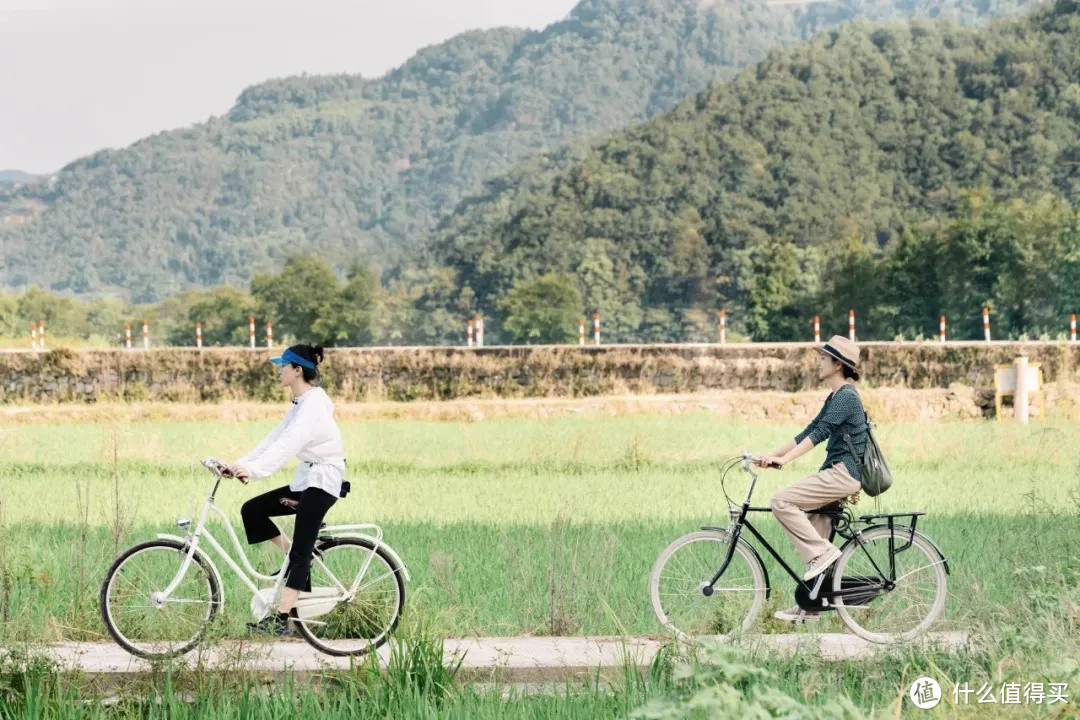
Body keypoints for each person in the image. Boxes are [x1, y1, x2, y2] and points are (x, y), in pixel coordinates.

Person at [224, 344, 346, 636]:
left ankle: (282, 620)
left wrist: (255, 471)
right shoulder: (301, 402)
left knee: (301, 551)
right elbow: (275, 438)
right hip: (307, 479)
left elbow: (289, 445)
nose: (279, 371)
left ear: (297, 370)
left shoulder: (313, 405)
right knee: (253, 510)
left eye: (283, 366)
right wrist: (240, 463)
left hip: (323, 481)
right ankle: (298, 557)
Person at [754, 335, 867, 623]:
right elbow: (809, 429)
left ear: (838, 364)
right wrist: (771, 455)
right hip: (836, 472)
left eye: (823, 358)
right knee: (817, 531)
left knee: (782, 501)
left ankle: (823, 554)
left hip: (844, 473)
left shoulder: (847, 396)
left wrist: (785, 460)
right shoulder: (835, 396)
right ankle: (811, 607)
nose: (818, 362)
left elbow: (819, 435)